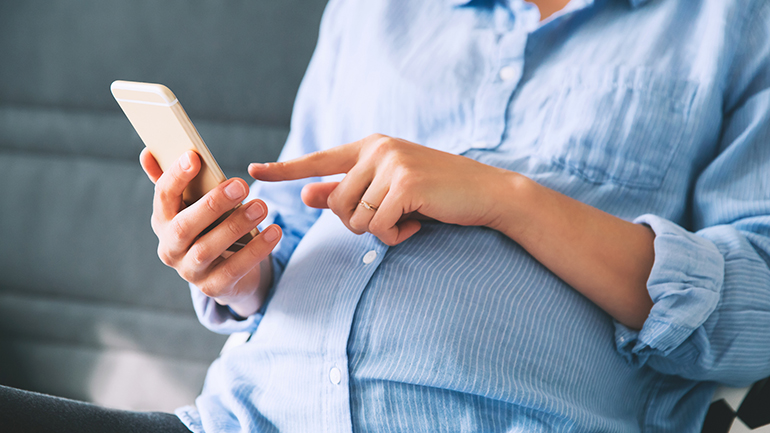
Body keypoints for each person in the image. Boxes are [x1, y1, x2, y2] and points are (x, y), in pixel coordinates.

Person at [1, 0, 768, 431]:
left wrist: (507, 198)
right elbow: (296, 228)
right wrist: (237, 266)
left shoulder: (735, 24)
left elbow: (754, 313)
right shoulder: (373, 11)